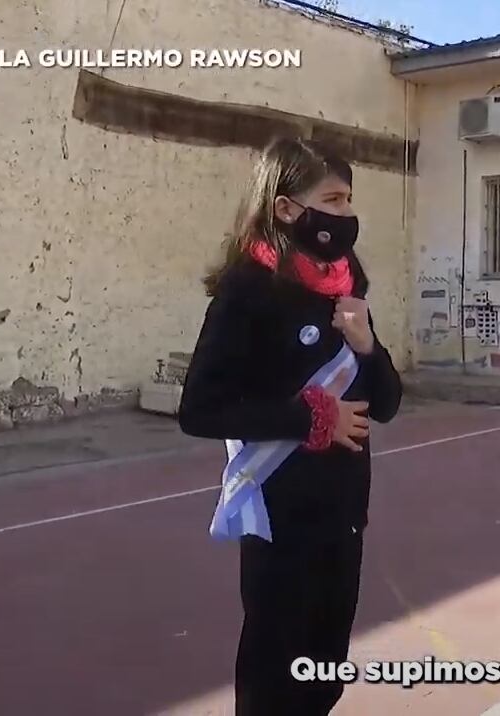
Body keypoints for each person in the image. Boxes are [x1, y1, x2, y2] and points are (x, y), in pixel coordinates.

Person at [177, 137, 403, 715]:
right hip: (280, 512)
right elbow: (201, 407)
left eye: (350, 199)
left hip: (344, 510)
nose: (346, 213)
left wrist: (368, 347)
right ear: (285, 208)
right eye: (332, 198)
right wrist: (311, 417)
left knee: (324, 671)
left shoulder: (347, 287)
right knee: (275, 677)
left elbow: (387, 403)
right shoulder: (248, 291)